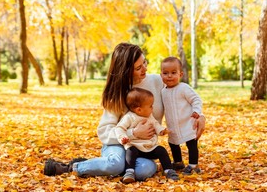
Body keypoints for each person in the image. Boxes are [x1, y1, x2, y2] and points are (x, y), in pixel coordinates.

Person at [44, 43, 206, 180]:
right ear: (126, 70)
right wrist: (133, 133)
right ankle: (72, 166)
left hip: (141, 147)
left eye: (145, 62)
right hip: (117, 144)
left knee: (145, 171)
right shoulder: (118, 94)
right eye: (138, 67)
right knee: (116, 164)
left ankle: (101, 165)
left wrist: (200, 115)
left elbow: (182, 95)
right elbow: (104, 132)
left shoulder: (158, 82)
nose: (145, 69)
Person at [115, 87, 179, 183]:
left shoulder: (149, 116)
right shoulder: (129, 117)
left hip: (149, 147)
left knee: (161, 150)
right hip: (135, 146)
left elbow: (156, 124)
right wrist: (123, 137)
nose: (152, 108)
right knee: (130, 151)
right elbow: (119, 128)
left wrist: (162, 131)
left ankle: (168, 170)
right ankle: (129, 172)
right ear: (139, 110)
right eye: (150, 106)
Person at [160, 56, 203, 175]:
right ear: (161, 75)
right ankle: (178, 162)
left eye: (173, 73)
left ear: (181, 74)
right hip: (173, 124)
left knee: (191, 143)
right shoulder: (163, 92)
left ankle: (193, 165)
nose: (169, 76)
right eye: (165, 73)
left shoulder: (184, 88)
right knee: (173, 143)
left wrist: (197, 112)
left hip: (187, 123)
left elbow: (196, 99)